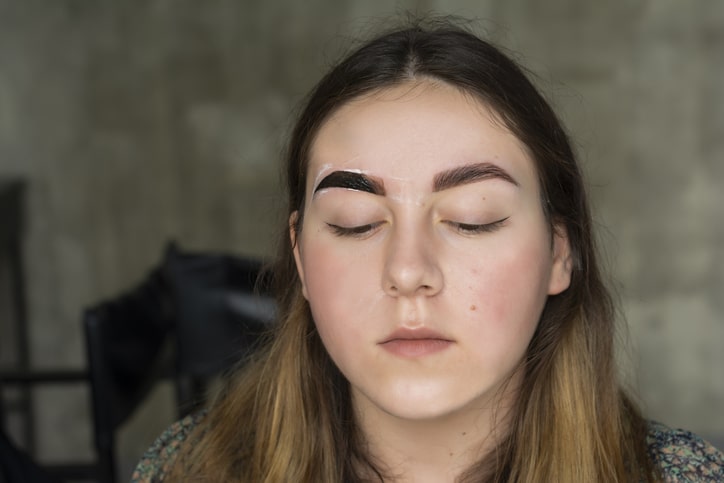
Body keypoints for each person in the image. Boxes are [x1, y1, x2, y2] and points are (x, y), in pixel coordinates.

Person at [132, 19, 724, 482]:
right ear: (300, 257)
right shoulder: (188, 470)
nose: (408, 271)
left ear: (558, 254)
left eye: (472, 219)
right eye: (356, 223)